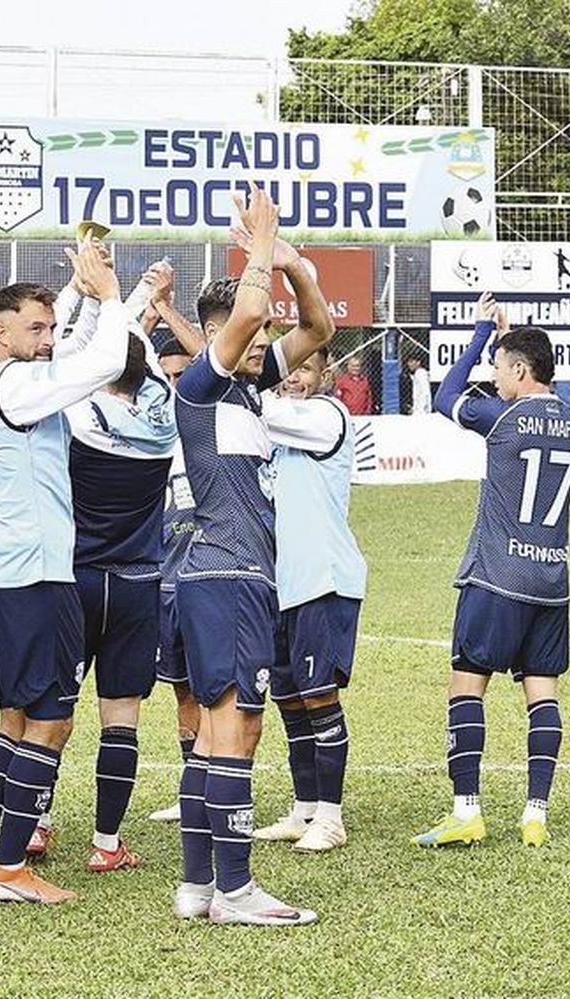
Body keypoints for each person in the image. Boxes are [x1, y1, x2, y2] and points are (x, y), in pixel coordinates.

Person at [170, 186, 331, 927]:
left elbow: (323, 325)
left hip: (228, 576)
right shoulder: (202, 386)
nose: (263, 337)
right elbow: (245, 317)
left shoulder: (252, 391)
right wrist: (260, 243)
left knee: (214, 732)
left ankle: (200, 885)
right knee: (236, 728)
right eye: (248, 330)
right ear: (211, 339)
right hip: (228, 574)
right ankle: (237, 889)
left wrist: (293, 263)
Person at [0, 243, 129, 906]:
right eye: (35, 328)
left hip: (2, 576)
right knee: (51, 724)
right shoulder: (18, 384)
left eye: (50, 327)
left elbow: (79, 348)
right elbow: (105, 358)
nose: (48, 339)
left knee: (14, 724)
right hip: (34, 579)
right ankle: (8, 869)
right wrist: (109, 290)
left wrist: (81, 291)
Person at [415, 292, 570, 849]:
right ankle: (535, 814)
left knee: (466, 686)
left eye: (499, 367)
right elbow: (539, 403)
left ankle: (467, 811)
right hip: (551, 580)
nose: (493, 376)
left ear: (518, 369)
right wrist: (509, 342)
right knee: (543, 694)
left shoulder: (503, 416)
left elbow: (445, 397)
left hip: (497, 577)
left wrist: (479, 334)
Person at [63, 309, 178, 873]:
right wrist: (141, 319)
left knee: (51, 713)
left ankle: (35, 825)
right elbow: (146, 370)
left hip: (77, 578)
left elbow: (67, 359)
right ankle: (107, 844)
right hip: (136, 584)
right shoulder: (164, 424)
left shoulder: (80, 420)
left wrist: (95, 299)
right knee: (121, 719)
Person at [252, 345, 366, 854]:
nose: (294, 378)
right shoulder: (277, 432)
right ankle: (304, 810)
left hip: (323, 580)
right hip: (284, 583)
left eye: (305, 368)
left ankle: (332, 817)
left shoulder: (327, 417)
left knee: (320, 696)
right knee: (290, 698)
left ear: (325, 375)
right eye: (288, 369)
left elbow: (262, 405)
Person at [147, 338, 201, 825]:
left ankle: (216, 783)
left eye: (182, 376)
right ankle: (192, 789)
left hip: (207, 582)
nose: (173, 386)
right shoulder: (150, 439)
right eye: (165, 377)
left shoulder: (206, 431)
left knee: (217, 691)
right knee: (180, 690)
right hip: (163, 586)